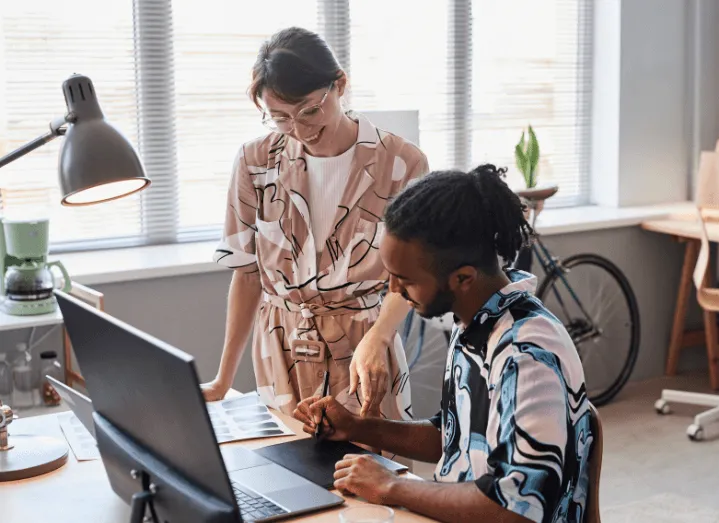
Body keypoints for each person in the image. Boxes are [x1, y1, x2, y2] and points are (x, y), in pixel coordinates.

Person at [294, 165, 594, 523]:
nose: (392, 290)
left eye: (404, 279)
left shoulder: (526, 354)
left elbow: (515, 508)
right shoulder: (475, 321)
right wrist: (357, 427)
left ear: (463, 277)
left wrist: (392, 486)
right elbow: (453, 436)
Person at [203, 27, 427, 423]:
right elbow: (247, 275)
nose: (301, 130)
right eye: (280, 118)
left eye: (309, 110)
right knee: (283, 475)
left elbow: (413, 275)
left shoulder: (402, 163)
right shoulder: (255, 162)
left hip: (364, 350)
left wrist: (380, 336)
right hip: (281, 352)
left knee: (370, 477)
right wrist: (222, 379)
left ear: (340, 85)